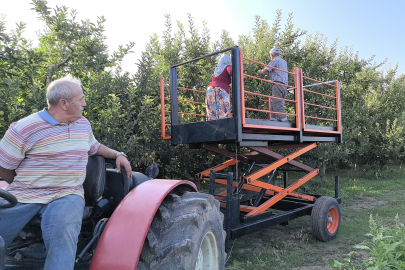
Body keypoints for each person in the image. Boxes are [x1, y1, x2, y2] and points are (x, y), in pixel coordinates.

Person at [0, 75, 132, 270]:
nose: (84, 103)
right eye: (80, 99)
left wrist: (118, 154)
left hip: (67, 194)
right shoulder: (23, 128)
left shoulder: (83, 124)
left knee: (63, 235)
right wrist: (24, 185)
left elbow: (93, 147)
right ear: (63, 103)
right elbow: (4, 166)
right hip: (25, 195)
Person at [257, 47, 289, 122]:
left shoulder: (275, 60)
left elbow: (264, 71)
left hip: (277, 84)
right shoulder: (283, 61)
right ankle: (273, 119)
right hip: (284, 85)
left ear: (271, 54)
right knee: (275, 101)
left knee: (277, 102)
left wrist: (259, 71)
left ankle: (284, 120)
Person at [205, 54, 232, 120]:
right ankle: (223, 127)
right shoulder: (227, 66)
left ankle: (211, 126)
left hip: (210, 89)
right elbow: (231, 72)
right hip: (221, 89)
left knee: (211, 110)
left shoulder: (217, 69)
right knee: (223, 110)